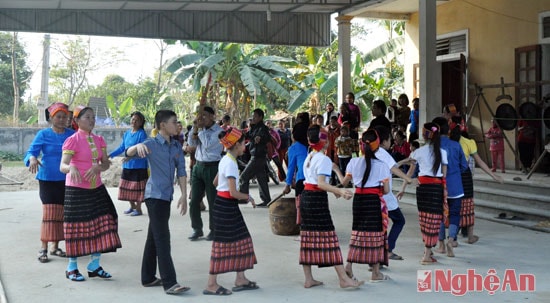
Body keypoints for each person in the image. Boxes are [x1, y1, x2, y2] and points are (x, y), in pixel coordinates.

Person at [125, 110, 190, 295]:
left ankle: (148, 277)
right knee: (163, 239)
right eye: (174, 122)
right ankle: (170, 283)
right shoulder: (151, 144)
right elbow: (127, 153)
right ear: (162, 125)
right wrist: (136, 147)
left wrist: (184, 195)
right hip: (154, 197)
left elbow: (182, 172)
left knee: (153, 237)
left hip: (166, 196)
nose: (178, 125)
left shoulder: (176, 146)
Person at [60, 106, 121, 282]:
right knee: (76, 229)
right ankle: (72, 267)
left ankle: (94, 265)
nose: (92, 120)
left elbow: (106, 164)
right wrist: (71, 167)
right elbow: (62, 165)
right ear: (77, 121)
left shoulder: (99, 139)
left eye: (93, 117)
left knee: (104, 222)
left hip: (97, 188)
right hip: (76, 190)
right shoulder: (72, 140)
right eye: (87, 117)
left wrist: (98, 167)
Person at [299, 124, 363, 289]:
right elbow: (320, 184)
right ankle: (343, 279)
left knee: (308, 238)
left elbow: (315, 182)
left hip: (306, 198)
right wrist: (340, 192)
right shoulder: (323, 159)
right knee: (330, 239)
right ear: (325, 142)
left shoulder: (310, 156)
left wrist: (333, 189)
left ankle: (309, 279)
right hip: (316, 201)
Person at [203, 127, 259, 296]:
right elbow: (234, 193)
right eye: (243, 144)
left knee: (241, 240)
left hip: (223, 205)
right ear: (236, 146)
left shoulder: (225, 159)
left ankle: (241, 278)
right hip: (227, 206)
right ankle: (211, 284)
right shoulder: (232, 164)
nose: (245, 147)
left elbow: (215, 183)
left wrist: (226, 188)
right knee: (222, 245)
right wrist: (248, 197)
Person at [333, 129, 391, 282]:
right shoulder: (382, 165)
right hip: (373, 202)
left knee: (358, 233)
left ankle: (349, 267)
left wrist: (336, 169)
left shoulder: (353, 162)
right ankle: (376, 273)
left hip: (359, 200)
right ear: (376, 145)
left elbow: (344, 183)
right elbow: (385, 190)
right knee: (376, 235)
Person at [24, 102, 75, 263]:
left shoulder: (72, 134)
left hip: (67, 179)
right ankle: (43, 248)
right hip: (47, 179)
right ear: (51, 118)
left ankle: (55, 247)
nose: (61, 120)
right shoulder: (43, 134)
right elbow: (31, 153)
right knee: (49, 214)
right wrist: (32, 158)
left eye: (64, 117)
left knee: (61, 214)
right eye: (58, 117)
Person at [398, 122, 448, 265]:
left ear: (425, 135)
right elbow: (444, 174)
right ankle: (426, 254)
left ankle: (429, 250)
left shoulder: (418, 152)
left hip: (422, 188)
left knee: (425, 219)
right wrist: (445, 189)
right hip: (436, 188)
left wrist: (402, 188)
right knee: (434, 220)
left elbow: (410, 169)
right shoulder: (442, 152)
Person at [450, 122, 503, 244]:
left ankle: (452, 239)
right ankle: (470, 236)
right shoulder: (469, 142)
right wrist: (494, 175)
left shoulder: (447, 143)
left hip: (452, 175)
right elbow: (480, 162)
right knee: (468, 205)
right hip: (465, 176)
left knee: (453, 206)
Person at [373, 125, 412, 261]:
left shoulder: (372, 152)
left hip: (371, 194)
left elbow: (392, 166)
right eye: (390, 139)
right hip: (384, 194)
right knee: (399, 220)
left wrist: (405, 161)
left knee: (378, 224)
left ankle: (378, 254)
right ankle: (387, 250)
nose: (391, 142)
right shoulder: (383, 152)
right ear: (384, 141)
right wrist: (408, 179)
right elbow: (393, 168)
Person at [432, 116, 468, 258]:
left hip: (438, 185)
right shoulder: (455, 145)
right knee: (454, 214)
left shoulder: (433, 146)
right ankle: (451, 240)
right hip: (456, 185)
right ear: (448, 131)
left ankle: (440, 245)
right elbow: (464, 166)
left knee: (440, 215)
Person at [187, 106, 224, 240]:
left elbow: (208, 145)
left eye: (205, 116)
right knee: (194, 200)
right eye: (200, 116)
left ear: (212, 116)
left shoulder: (219, 132)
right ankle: (197, 228)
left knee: (212, 200)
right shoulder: (199, 130)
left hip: (212, 167)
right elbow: (191, 143)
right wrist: (194, 129)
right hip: (198, 166)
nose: (201, 119)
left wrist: (200, 131)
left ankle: (214, 229)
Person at [108, 111, 148, 216]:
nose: (134, 121)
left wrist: (130, 157)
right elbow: (122, 148)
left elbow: (143, 151)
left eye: (137, 120)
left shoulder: (142, 134)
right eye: (133, 119)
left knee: (138, 189)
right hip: (127, 166)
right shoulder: (127, 134)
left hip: (139, 167)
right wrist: (110, 155)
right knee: (126, 187)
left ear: (141, 123)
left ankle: (138, 209)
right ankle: (132, 206)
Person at [240, 108, 272, 207]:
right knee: (261, 179)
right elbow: (248, 136)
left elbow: (267, 137)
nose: (253, 118)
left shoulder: (263, 128)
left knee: (244, 176)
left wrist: (260, 138)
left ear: (260, 117)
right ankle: (266, 200)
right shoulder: (254, 127)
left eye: (255, 116)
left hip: (258, 156)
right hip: (258, 156)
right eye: (252, 116)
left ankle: (244, 198)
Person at [325, 115, 341, 185]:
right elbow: (322, 138)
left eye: (334, 122)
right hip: (328, 150)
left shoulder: (340, 129)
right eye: (331, 122)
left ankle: (338, 178)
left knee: (337, 164)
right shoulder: (326, 129)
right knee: (329, 164)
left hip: (337, 150)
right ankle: (332, 178)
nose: (332, 123)